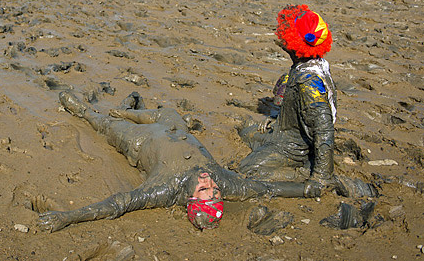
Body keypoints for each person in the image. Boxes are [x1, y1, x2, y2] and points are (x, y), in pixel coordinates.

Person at [37, 91, 319, 233]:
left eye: (204, 190)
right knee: (167, 112)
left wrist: (67, 217)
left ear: (190, 198)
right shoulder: (226, 182)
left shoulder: (165, 188)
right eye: (215, 191)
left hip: (139, 141)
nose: (210, 182)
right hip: (174, 126)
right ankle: (129, 110)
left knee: (106, 124)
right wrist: (308, 188)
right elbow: (265, 189)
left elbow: (118, 204)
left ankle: (84, 110)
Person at [237, 5, 376, 198]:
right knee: (247, 131)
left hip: (294, 148)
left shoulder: (308, 81)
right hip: (286, 135)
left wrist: (321, 176)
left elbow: (323, 129)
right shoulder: (309, 66)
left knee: (248, 170)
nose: (280, 36)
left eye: (285, 33)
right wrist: (278, 118)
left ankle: (303, 173)